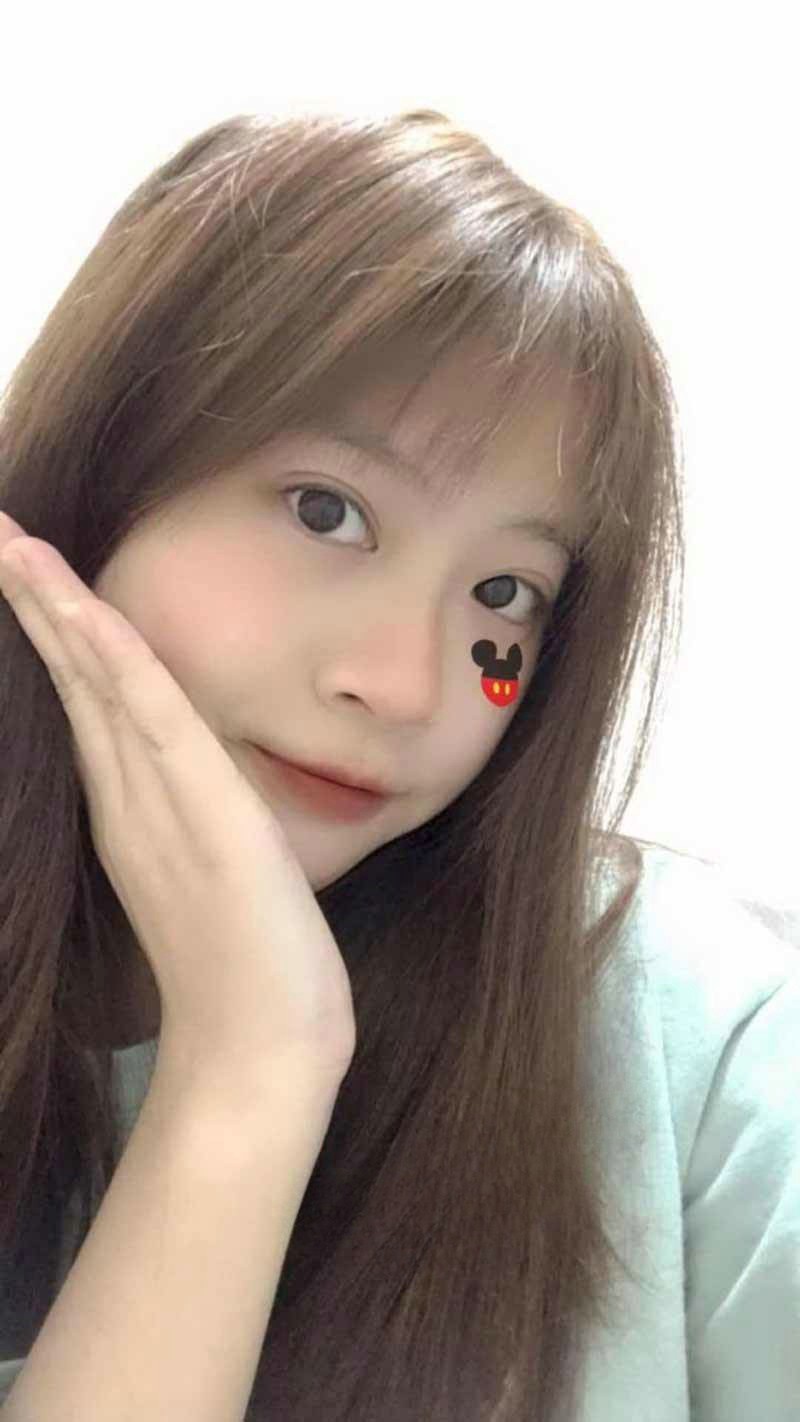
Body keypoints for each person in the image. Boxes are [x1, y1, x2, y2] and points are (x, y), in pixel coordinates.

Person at [0, 107, 796, 1422]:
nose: (408, 686)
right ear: (99, 476)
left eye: (505, 593)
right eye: (329, 511)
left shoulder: (708, 1049)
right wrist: (247, 1067)